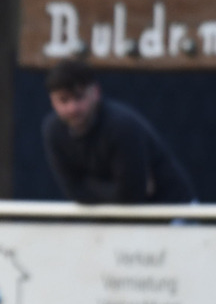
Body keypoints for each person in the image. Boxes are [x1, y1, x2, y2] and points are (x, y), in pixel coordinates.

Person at [42, 60, 196, 204]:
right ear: (52, 101)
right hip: (122, 219)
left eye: (79, 97)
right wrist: (117, 190)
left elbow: (130, 196)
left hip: (174, 211)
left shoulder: (121, 126)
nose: (73, 108)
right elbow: (72, 190)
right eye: (64, 100)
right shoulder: (53, 130)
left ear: (95, 92)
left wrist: (87, 185)